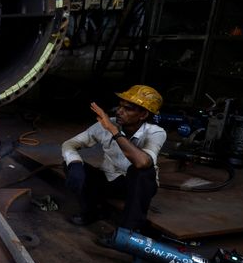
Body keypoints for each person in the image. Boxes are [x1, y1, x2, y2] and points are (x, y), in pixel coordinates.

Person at [61, 85, 166, 236]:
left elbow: (143, 163)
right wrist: (75, 164)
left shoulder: (156, 132)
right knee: (70, 164)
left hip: (137, 187)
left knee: (141, 172)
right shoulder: (107, 123)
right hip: (110, 180)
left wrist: (114, 131)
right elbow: (69, 144)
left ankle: (128, 230)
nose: (119, 111)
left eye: (128, 109)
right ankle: (93, 211)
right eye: (120, 106)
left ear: (143, 115)